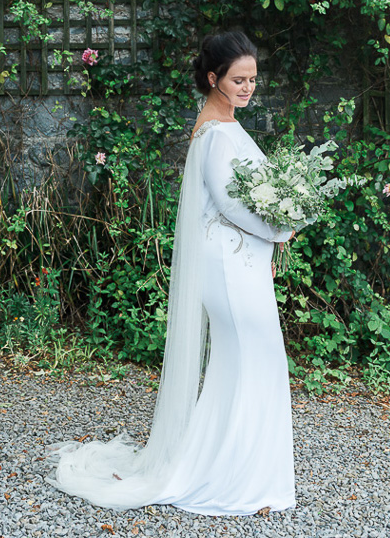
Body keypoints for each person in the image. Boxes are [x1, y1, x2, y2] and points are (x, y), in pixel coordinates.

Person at [47, 30, 296, 515]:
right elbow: (231, 205)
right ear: (213, 78)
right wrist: (283, 229)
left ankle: (236, 467)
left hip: (239, 260)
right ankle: (230, 476)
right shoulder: (218, 133)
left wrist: (274, 232)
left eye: (253, 80)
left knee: (246, 362)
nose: (248, 88)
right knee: (252, 357)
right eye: (239, 80)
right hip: (227, 264)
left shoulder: (220, 125)